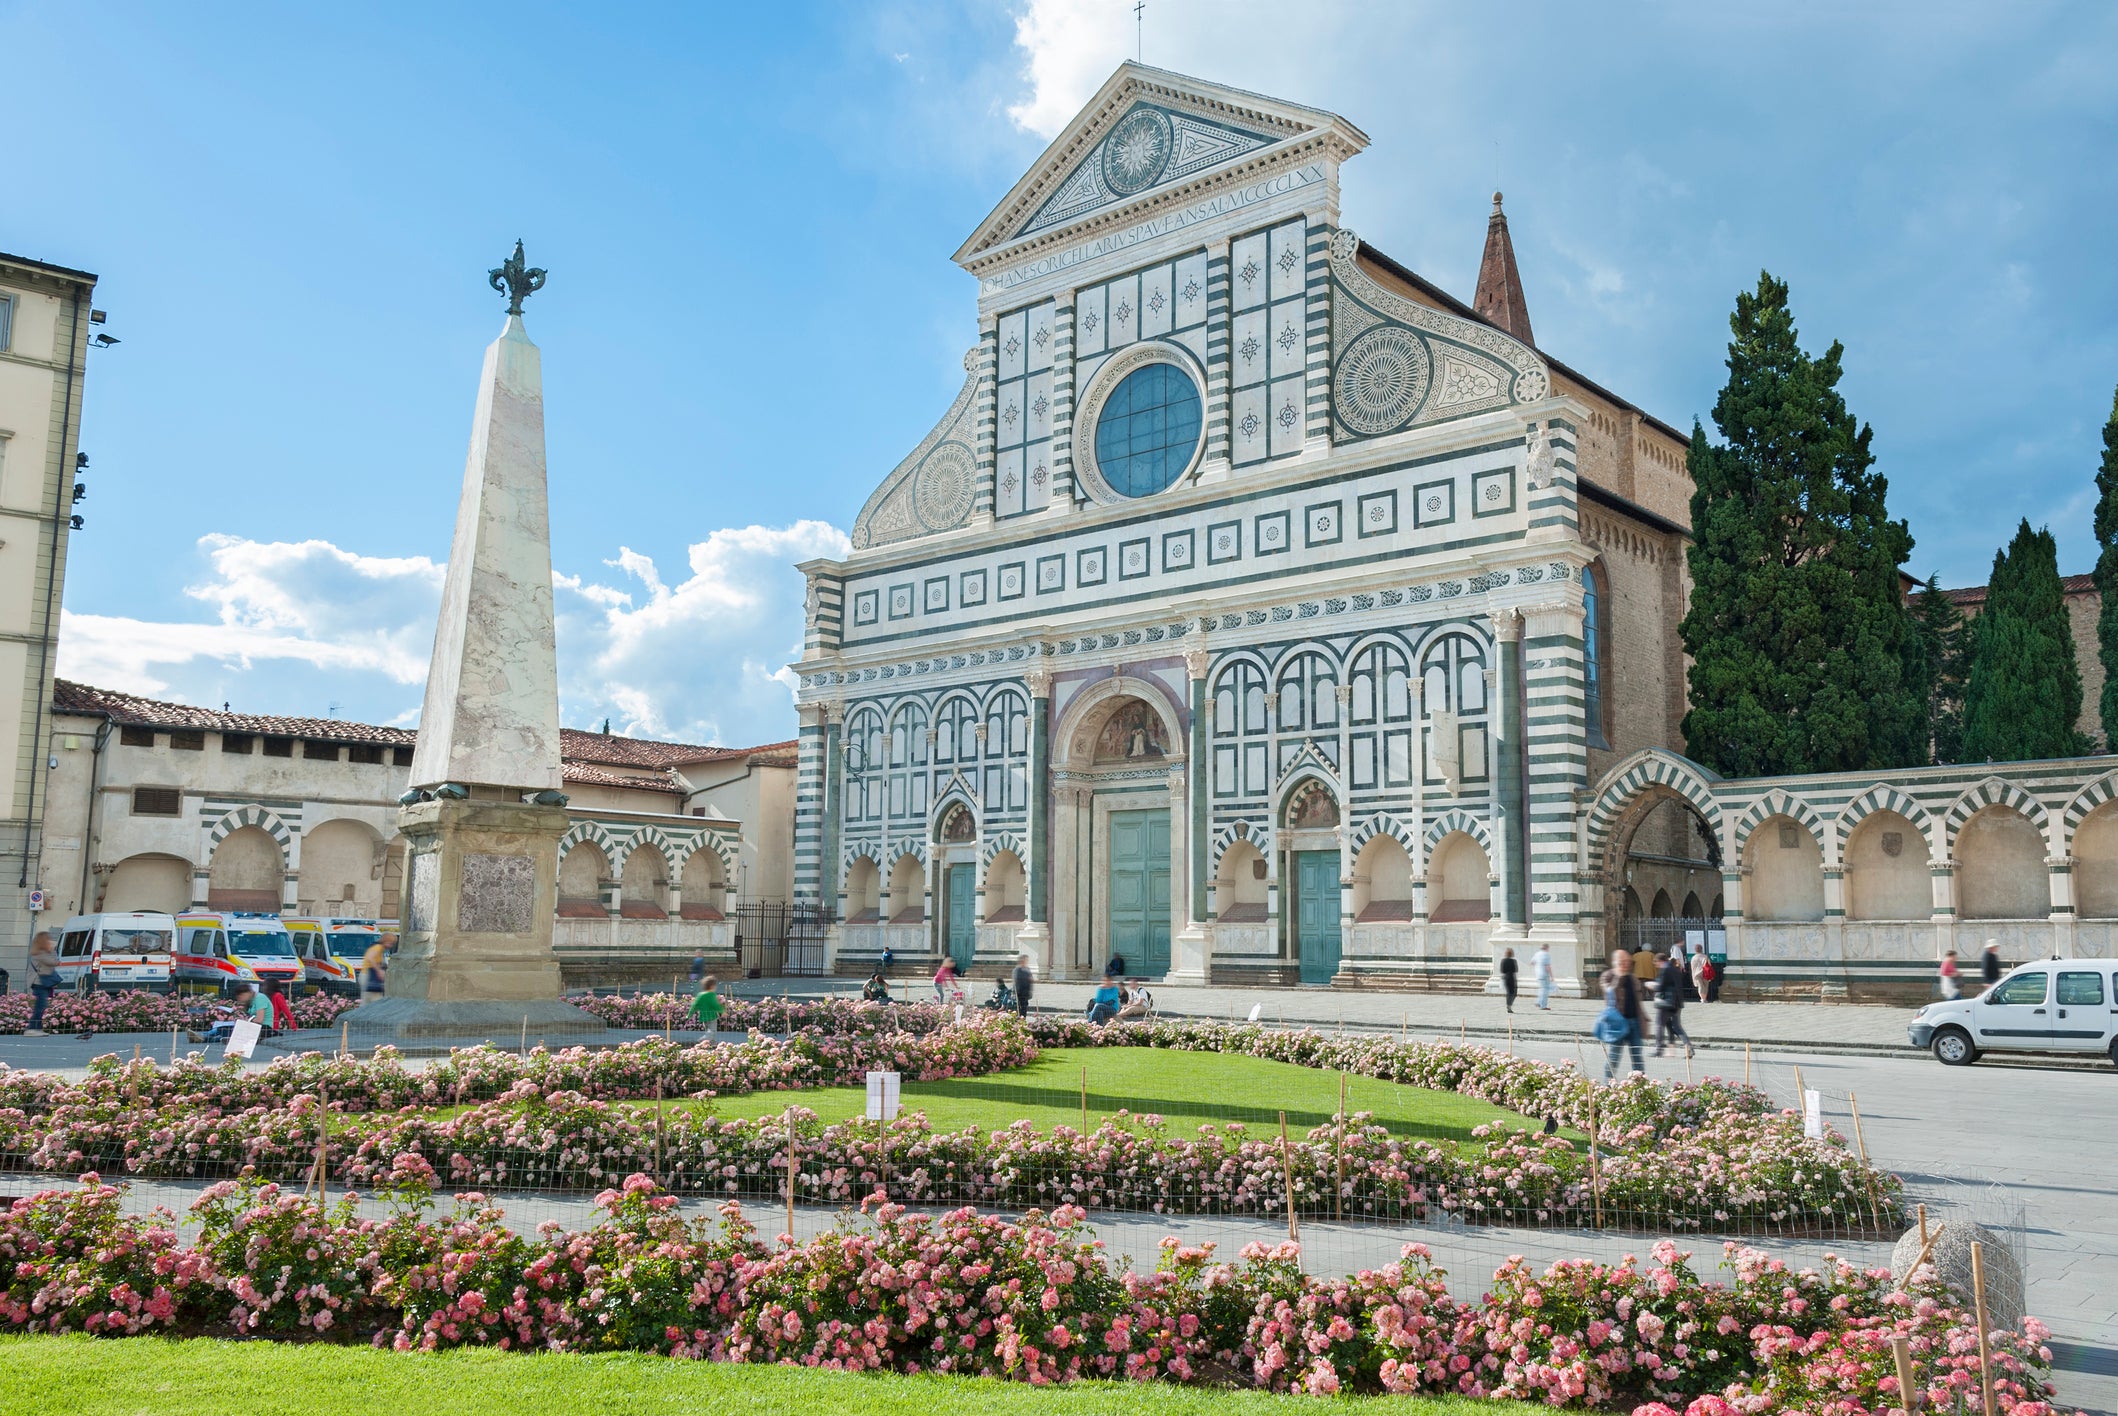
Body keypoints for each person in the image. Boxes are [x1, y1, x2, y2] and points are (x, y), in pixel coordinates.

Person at [1606, 949, 1646, 1076]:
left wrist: (1643, 1020)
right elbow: (1608, 992)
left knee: (1637, 1057)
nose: (1626, 964)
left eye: (1628, 961)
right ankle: (1607, 1083)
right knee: (1614, 1057)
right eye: (1622, 961)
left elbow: (1637, 1002)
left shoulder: (1632, 978)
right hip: (1618, 1024)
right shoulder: (1609, 976)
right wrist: (1618, 975)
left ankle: (1639, 1084)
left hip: (1634, 1022)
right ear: (1615, 962)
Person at [1653, 951, 1692, 1059]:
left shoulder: (1665, 969)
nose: (1656, 966)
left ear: (1660, 961)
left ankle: (1659, 1050)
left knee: (1659, 1024)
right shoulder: (1675, 969)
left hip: (1666, 1002)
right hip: (1677, 1002)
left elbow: (1660, 987)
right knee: (1676, 1026)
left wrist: (1652, 986)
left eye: (1656, 963)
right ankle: (1689, 1048)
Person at [25, 931, 59, 1037]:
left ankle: (37, 1028)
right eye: (48, 940)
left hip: (42, 982)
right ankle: (31, 1028)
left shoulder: (41, 953)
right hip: (39, 982)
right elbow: (54, 962)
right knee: (40, 1005)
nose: (50, 941)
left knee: (41, 1005)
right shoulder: (40, 954)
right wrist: (53, 950)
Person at [1011, 952, 1034, 1019]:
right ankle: (1019, 1021)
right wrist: (1014, 992)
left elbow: (1030, 978)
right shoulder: (1017, 969)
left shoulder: (1027, 969)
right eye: (1025, 960)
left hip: (1026, 992)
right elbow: (1016, 980)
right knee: (1019, 1008)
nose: (1026, 961)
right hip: (1019, 992)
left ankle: (1023, 1020)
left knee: (1024, 1007)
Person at [1531, 942, 1553, 1010]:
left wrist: (1538, 966)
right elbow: (1547, 966)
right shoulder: (1546, 955)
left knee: (1542, 989)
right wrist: (1551, 976)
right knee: (1545, 990)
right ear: (1547, 948)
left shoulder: (1537, 954)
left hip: (1538, 974)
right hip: (1544, 974)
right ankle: (1543, 1006)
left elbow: (1532, 962)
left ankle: (1538, 1002)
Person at [1499, 947, 1518, 1013]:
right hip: (1512, 977)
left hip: (1505, 977)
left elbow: (1502, 970)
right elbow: (1515, 970)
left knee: (1508, 992)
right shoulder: (1513, 961)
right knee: (1514, 993)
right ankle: (1509, 1005)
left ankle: (1508, 1005)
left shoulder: (1503, 960)